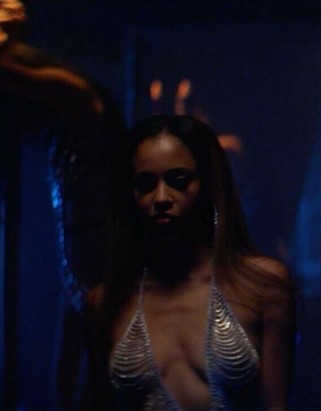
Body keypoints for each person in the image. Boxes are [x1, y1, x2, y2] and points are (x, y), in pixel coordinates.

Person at [0, 1, 125, 409]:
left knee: (99, 386)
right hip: (80, 269)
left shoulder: (74, 94)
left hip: (102, 269)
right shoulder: (61, 124)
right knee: (69, 384)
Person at [82, 115, 296, 410]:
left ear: (207, 185)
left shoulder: (262, 286)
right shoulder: (104, 303)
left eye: (178, 180)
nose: (161, 197)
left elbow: (276, 405)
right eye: (145, 183)